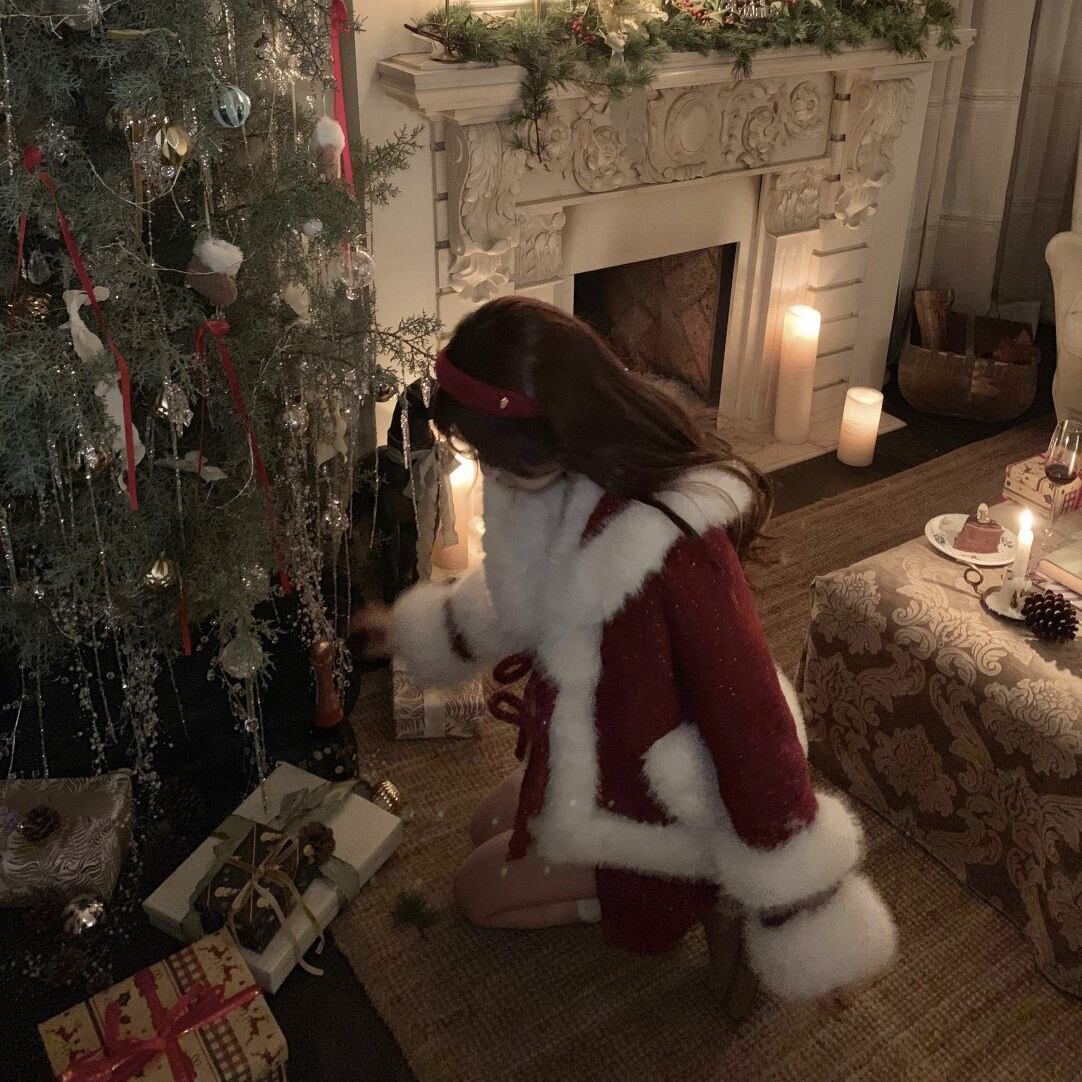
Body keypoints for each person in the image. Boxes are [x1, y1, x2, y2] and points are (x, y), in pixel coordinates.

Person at [360, 296, 896, 1005]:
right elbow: (519, 593)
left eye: (490, 455)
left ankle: (688, 888)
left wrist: (802, 904)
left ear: (544, 434)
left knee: (475, 895)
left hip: (666, 802)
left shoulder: (676, 546)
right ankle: (619, 877)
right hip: (606, 750)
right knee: (483, 826)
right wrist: (417, 630)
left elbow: (751, 719)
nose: (487, 472)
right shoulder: (548, 478)